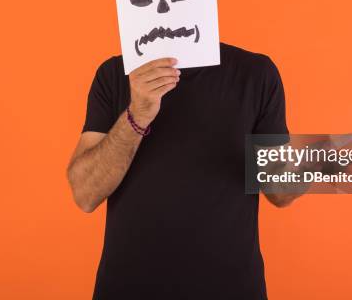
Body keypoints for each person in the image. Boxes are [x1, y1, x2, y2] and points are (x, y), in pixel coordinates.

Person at [67, 42, 295, 300]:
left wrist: (329, 159)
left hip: (230, 288)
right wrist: (137, 115)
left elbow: (281, 192)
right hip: (128, 288)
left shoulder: (255, 74)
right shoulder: (114, 74)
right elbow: (85, 195)